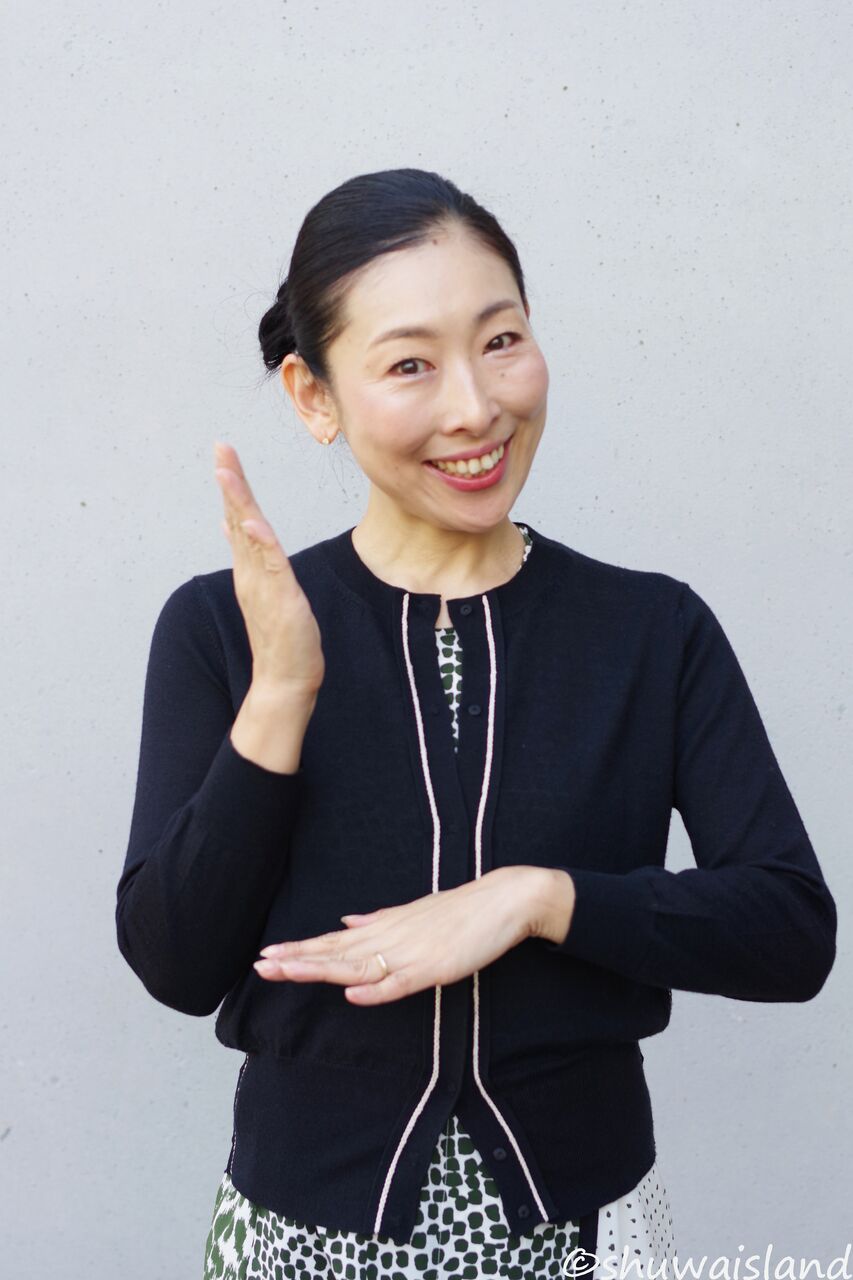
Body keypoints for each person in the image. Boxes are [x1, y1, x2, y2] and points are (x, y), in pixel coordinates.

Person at [115, 169, 837, 1280]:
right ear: (313, 395)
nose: (474, 407)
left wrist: (536, 899)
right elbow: (174, 960)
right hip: (301, 1242)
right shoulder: (224, 629)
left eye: (500, 341)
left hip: (588, 1233)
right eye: (410, 364)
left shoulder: (653, 629)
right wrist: (281, 693)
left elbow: (789, 930)